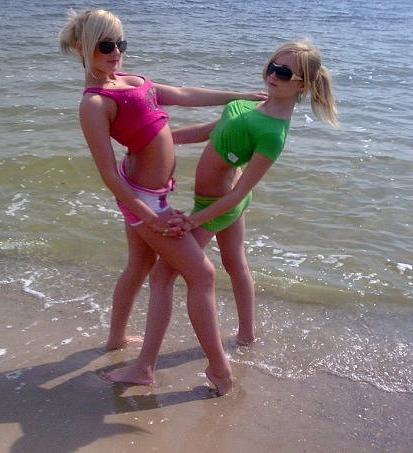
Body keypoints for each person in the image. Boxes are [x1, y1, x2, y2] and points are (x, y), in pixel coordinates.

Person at [105, 39, 338, 387]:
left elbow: (240, 193)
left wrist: (194, 220)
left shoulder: (273, 133)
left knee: (162, 276)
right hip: (219, 200)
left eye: (284, 73)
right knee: (235, 261)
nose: (273, 75)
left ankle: (149, 367)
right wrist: (152, 142)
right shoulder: (249, 104)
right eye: (272, 66)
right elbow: (207, 131)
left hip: (218, 205)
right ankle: (247, 335)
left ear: (301, 85)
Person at [58, 9, 265, 395]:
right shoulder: (94, 104)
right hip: (142, 201)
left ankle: (117, 340)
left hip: (152, 193)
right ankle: (204, 369)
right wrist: (148, 217)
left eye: (120, 43)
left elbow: (184, 95)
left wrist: (238, 95)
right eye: (105, 46)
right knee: (202, 274)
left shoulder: (132, 81)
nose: (116, 52)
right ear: (83, 48)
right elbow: (108, 174)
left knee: (139, 266)